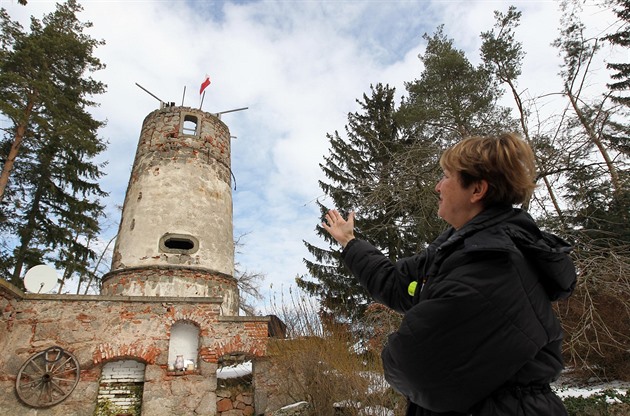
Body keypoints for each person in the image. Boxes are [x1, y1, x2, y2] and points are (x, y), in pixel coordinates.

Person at [322, 133, 576, 416]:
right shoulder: (454, 251)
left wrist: (389, 352)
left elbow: (413, 364)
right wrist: (350, 242)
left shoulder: (491, 264)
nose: (437, 186)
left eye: (445, 176)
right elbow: (395, 284)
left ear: (477, 190)